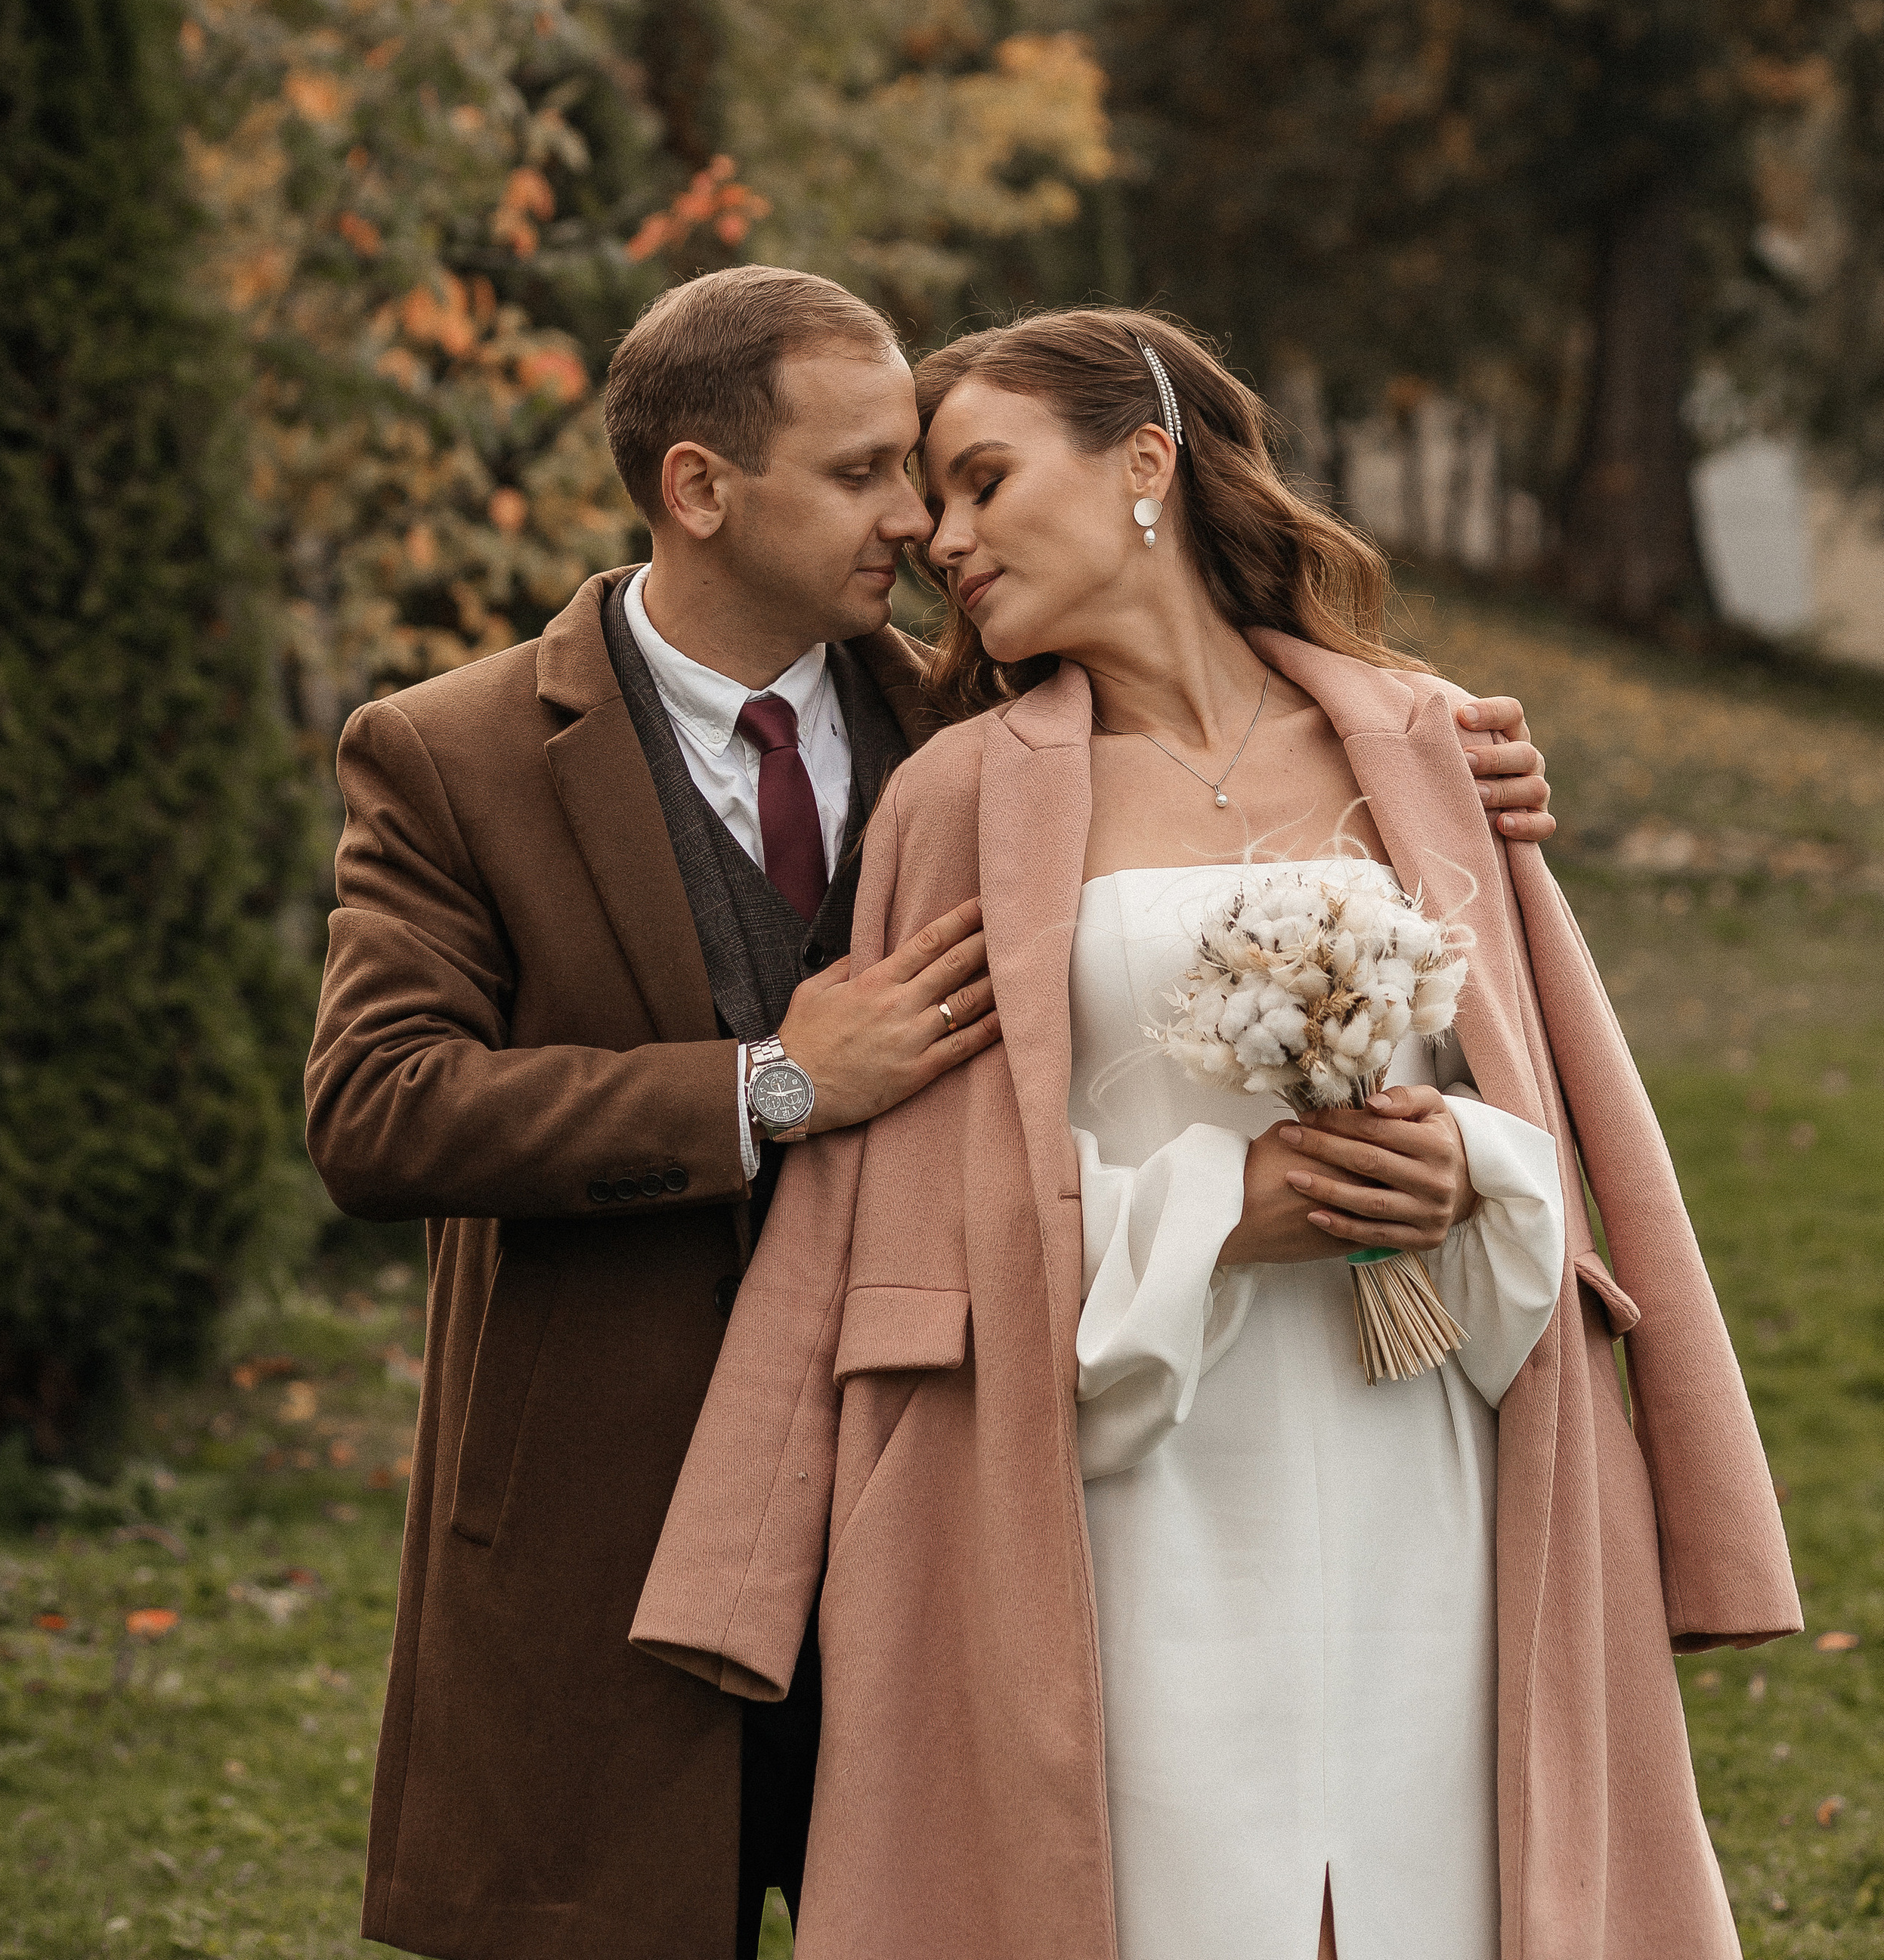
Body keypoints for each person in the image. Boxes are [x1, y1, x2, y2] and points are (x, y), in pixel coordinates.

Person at [305, 268, 1560, 1960]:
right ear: (699, 488)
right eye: (863, 474)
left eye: (929, 471)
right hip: (617, 1508)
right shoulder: (450, 754)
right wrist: (773, 1085)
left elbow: (1215, 750)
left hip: (965, 1478)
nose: (914, 521)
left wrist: (1440, 754)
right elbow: (377, 1110)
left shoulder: (978, 716)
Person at [633, 306, 1799, 1960]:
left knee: (1438, 1887)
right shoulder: (960, 797)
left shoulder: (1426, 746)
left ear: (1144, 463)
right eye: (930, 501)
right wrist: (1216, 1212)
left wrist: (1464, 1169)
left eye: (980, 482)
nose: (940, 540)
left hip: (1426, 1436)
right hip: (1128, 1457)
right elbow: (921, 1209)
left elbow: (1549, 1094)